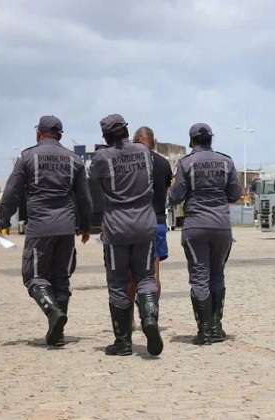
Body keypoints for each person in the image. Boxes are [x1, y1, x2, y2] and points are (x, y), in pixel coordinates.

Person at [0, 115, 93, 346]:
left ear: (39, 133)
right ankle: (57, 334)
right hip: (66, 227)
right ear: (59, 135)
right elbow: (84, 197)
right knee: (61, 279)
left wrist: (3, 220)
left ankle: (52, 313)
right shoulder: (74, 160)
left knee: (34, 277)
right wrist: (86, 226)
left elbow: (12, 192)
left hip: (40, 228)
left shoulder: (27, 157)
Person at [88, 114, 163, 357]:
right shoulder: (143, 152)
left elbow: (92, 178)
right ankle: (150, 319)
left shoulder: (102, 157)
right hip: (145, 224)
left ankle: (123, 342)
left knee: (119, 283)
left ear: (106, 136)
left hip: (116, 228)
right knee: (146, 277)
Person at [168, 123, 242, 345]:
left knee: (200, 276)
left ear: (192, 141)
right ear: (211, 139)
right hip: (221, 226)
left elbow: (176, 195)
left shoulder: (185, 163)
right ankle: (217, 327)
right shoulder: (226, 161)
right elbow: (235, 193)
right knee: (217, 274)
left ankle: (205, 330)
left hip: (195, 226)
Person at [128, 126, 172, 328]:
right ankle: (152, 316)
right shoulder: (163, 163)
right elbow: (164, 192)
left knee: (130, 275)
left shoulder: (131, 161)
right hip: (158, 221)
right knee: (154, 275)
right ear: (154, 141)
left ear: (136, 139)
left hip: (135, 221)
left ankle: (128, 320)